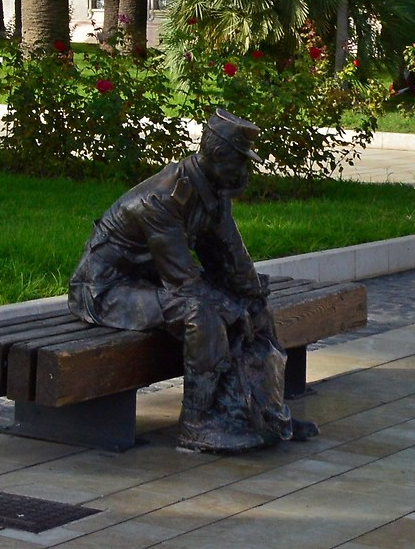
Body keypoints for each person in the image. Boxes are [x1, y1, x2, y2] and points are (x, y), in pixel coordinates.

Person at [67, 109, 295, 453]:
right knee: (199, 313)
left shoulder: (212, 193)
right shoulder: (162, 199)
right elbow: (183, 283)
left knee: (254, 305)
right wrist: (229, 305)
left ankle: (266, 413)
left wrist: (252, 295)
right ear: (218, 156)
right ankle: (197, 423)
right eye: (240, 162)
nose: (245, 171)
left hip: (149, 283)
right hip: (106, 290)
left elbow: (232, 258)